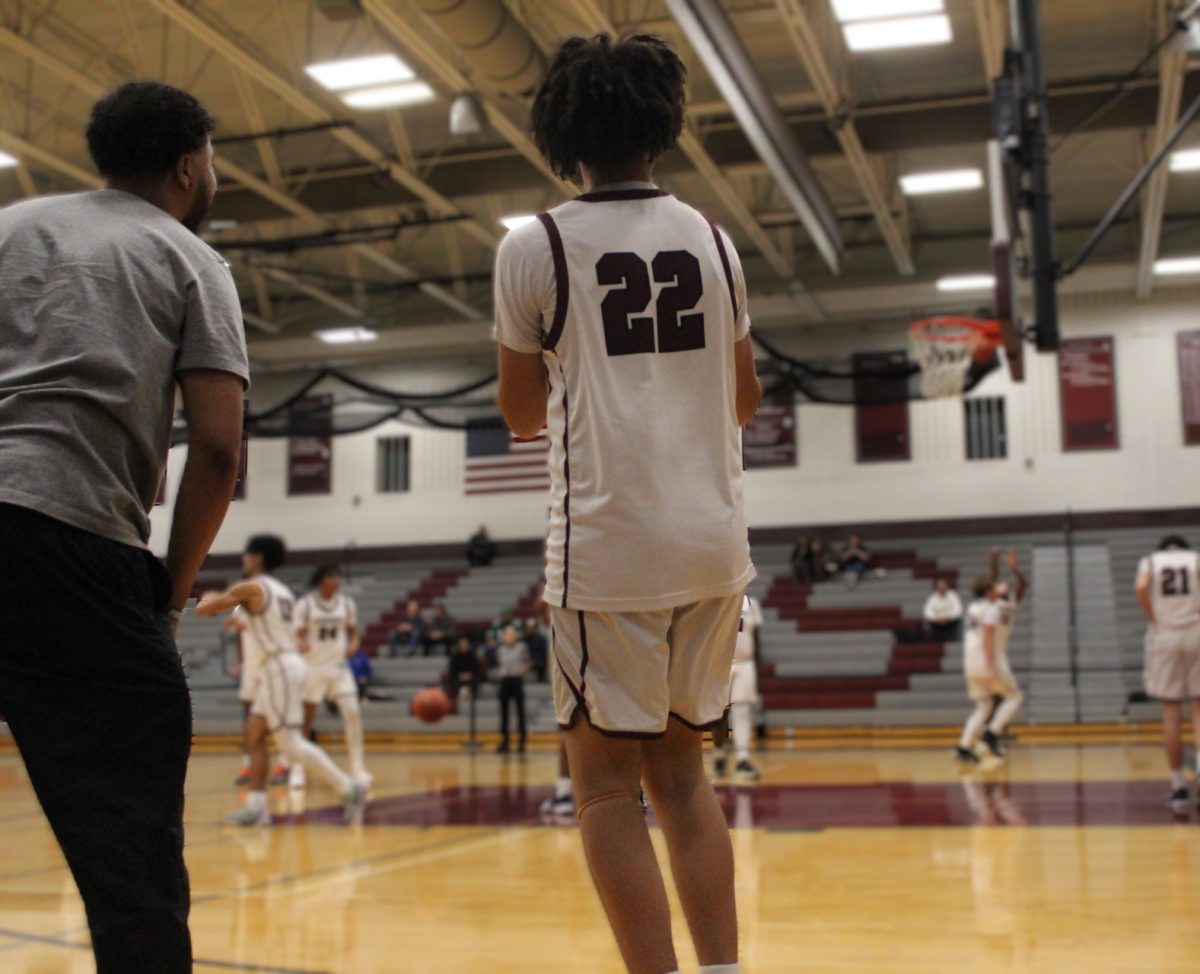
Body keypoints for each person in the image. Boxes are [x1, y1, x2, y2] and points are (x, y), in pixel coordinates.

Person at [495, 33, 759, 974]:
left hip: (610, 549)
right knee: (687, 779)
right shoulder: (716, 240)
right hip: (714, 545)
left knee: (607, 793)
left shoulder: (537, 244)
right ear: (663, 126)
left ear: (560, 134)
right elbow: (745, 398)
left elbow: (522, 415)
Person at [0, 81, 247, 973]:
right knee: (130, 855)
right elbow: (218, 453)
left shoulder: (12, 226)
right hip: (70, 539)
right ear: (189, 166)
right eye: (214, 160)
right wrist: (168, 595)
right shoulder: (187, 257)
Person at [196, 536, 367, 826]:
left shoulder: (251, 587)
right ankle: (256, 806)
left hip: (279, 668)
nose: (244, 559)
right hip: (281, 667)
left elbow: (204, 610)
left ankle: (348, 787)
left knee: (289, 743)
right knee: (254, 735)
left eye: (247, 554)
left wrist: (208, 595)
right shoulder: (282, 591)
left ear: (257, 557)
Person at [1135, 535, 1200, 810]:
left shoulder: (1150, 560)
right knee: (1199, 709)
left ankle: (1178, 786)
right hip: (1196, 631)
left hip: (1165, 635)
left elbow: (1141, 587)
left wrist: (1153, 616)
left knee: (1171, 711)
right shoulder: (1196, 558)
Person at [293, 565, 370, 789]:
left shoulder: (347, 604)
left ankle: (357, 767)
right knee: (305, 721)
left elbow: (354, 632)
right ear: (321, 580)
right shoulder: (305, 605)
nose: (337, 580)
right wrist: (301, 644)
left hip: (339, 668)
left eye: (338, 576)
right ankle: (297, 769)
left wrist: (354, 645)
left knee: (353, 713)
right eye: (332, 576)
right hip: (313, 668)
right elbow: (295, 635)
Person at [955, 576, 1024, 763]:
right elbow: (987, 639)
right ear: (988, 592)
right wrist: (990, 671)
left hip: (969, 663)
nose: (997, 588)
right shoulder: (992, 610)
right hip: (985, 662)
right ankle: (992, 734)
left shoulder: (972, 607)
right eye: (994, 587)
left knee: (983, 707)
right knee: (1015, 697)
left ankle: (963, 747)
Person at [714, 594, 763, 782]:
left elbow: (756, 637)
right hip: (720, 663)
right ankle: (719, 754)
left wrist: (757, 665)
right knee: (720, 713)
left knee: (742, 710)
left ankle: (743, 759)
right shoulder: (716, 601)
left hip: (745, 664)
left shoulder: (751, 603)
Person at [495, 626, 531, 754]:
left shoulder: (522, 647)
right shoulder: (500, 648)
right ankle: (505, 742)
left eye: (512, 634)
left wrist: (522, 672)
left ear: (516, 635)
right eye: (507, 634)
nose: (510, 637)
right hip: (505, 681)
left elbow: (527, 662)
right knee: (504, 713)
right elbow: (499, 662)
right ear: (504, 636)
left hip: (517, 680)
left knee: (520, 712)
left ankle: (522, 743)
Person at [923, 578, 964, 642]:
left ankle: (952, 642)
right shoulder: (932, 598)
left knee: (957, 621)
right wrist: (937, 619)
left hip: (950, 621)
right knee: (930, 623)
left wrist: (948, 617)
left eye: (943, 586)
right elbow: (927, 612)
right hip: (936, 622)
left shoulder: (953, 596)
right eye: (940, 587)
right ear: (936, 588)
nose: (942, 588)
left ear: (947, 587)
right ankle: (937, 644)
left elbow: (958, 610)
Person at [446, 636, 482, 705]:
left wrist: (469, 675)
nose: (464, 646)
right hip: (458, 677)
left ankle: (470, 694)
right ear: (459, 646)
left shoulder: (472, 656)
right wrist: (460, 676)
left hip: (471, 677)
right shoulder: (454, 657)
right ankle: (461, 694)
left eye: (465, 644)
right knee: (453, 682)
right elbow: (452, 670)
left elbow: (476, 669)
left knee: (475, 681)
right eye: (462, 644)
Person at [525, 617, 550, 681]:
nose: (529, 630)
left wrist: (534, 662)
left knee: (541, 665)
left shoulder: (541, 640)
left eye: (531, 628)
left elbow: (543, 654)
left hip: (538, 663)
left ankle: (540, 681)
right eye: (528, 628)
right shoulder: (524, 640)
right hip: (526, 662)